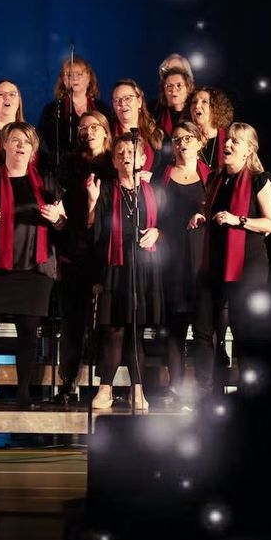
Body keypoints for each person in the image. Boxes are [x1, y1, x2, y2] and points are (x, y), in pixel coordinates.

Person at [0, 122, 67, 408]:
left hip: (34, 269)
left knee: (28, 331)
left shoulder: (46, 182)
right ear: (5, 145)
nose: (21, 145)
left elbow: (63, 224)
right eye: (16, 140)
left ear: (33, 151)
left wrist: (54, 218)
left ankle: (23, 394)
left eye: (27, 142)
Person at [188, 123, 271, 403]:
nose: (227, 145)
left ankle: (249, 393)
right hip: (213, 263)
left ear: (249, 150)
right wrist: (201, 217)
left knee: (243, 330)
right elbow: (212, 213)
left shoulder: (259, 179)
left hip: (246, 265)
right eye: (228, 141)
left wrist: (237, 220)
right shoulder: (216, 178)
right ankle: (207, 393)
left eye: (235, 143)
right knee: (204, 329)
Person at [85, 136, 163, 411]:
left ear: (142, 160)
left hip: (143, 267)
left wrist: (157, 231)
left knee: (136, 331)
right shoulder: (106, 189)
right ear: (115, 161)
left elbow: (164, 225)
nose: (126, 155)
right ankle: (105, 389)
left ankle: (137, 390)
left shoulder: (153, 191)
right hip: (115, 266)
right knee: (114, 330)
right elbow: (93, 230)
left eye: (131, 152)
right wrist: (92, 203)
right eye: (120, 152)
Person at [52, 110, 115, 403]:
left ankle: (105, 383)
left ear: (105, 131)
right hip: (74, 247)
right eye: (83, 127)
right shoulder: (69, 167)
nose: (88, 131)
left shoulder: (114, 166)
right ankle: (68, 381)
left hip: (105, 248)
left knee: (104, 319)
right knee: (71, 319)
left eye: (94, 127)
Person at [157, 121, 210, 409]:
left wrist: (203, 214)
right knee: (174, 327)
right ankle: (175, 387)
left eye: (188, 138)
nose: (182, 143)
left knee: (202, 329)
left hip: (202, 259)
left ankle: (204, 389)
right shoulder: (162, 177)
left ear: (200, 142)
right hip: (172, 258)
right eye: (177, 139)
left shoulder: (211, 178)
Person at [37, 56, 114, 170]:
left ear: (89, 78)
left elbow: (110, 140)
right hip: (63, 169)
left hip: (99, 166)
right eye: (69, 75)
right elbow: (43, 143)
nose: (74, 79)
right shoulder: (51, 109)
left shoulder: (102, 108)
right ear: (63, 80)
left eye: (79, 74)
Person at [188, 85, 235, 171]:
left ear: (216, 108)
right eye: (194, 102)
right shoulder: (185, 138)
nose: (197, 106)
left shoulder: (229, 139)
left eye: (204, 102)